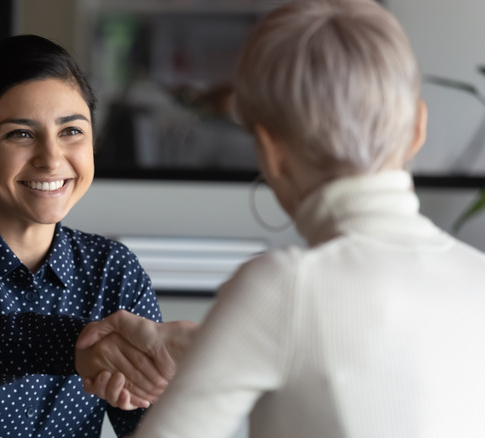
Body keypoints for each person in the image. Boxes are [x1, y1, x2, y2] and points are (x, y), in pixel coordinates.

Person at [132, 0, 485, 437]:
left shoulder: (285, 285)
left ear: (271, 152)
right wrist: (210, 351)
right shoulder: (478, 277)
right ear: (417, 128)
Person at [0, 34, 197, 438]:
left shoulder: (112, 270)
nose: (51, 158)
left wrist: (167, 393)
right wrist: (81, 348)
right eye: (20, 134)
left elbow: (152, 421)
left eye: (72, 131)